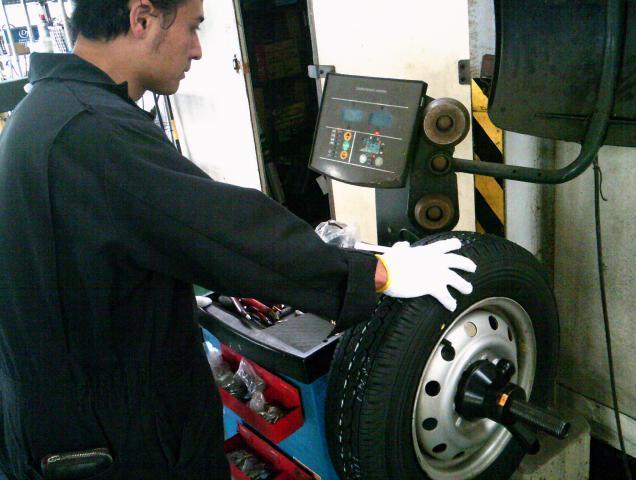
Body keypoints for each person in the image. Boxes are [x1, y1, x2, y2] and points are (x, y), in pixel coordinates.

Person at [0, 0, 476, 478]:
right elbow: (226, 230)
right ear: (141, 18)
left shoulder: (44, 111)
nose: (198, 50)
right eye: (191, 28)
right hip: (116, 442)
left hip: (67, 417)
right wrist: (380, 272)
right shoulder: (91, 131)